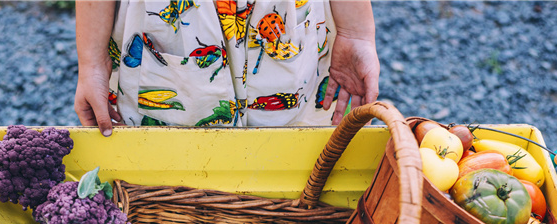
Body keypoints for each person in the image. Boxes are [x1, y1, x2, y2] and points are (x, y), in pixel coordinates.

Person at [74, 0, 379, 133]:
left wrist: (356, 31)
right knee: (167, 170)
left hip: (280, 17)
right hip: (174, 20)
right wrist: (91, 62)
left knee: (287, 161)